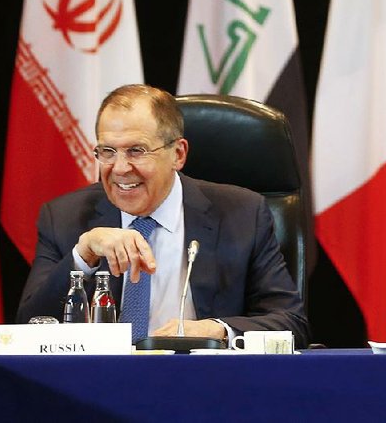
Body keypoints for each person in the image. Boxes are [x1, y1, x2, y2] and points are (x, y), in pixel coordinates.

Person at [17, 84, 308, 347]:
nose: (119, 168)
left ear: (178, 154)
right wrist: (83, 255)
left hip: (203, 384)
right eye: (107, 151)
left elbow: (290, 323)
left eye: (136, 151)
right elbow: (28, 328)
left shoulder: (242, 214)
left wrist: (216, 329)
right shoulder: (65, 217)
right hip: (98, 387)